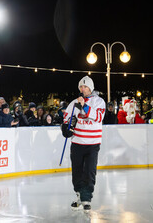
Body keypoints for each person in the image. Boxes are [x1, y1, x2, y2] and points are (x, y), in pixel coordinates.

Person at [61, 75, 105, 213]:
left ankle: (87, 198)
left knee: (89, 171)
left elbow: (98, 117)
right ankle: (79, 195)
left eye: (85, 86)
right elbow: (67, 118)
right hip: (77, 142)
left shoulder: (99, 102)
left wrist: (84, 106)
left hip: (93, 143)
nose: (82, 89)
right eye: (81, 86)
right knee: (77, 171)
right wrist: (65, 128)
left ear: (90, 88)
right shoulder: (74, 102)